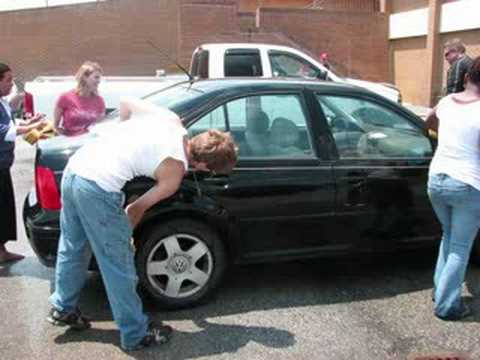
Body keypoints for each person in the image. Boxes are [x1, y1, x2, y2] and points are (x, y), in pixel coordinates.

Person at [47, 97, 237, 351]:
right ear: (203, 165)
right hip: (98, 188)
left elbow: (125, 103)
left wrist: (123, 136)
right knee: (118, 265)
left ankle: (62, 308)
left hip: (76, 170)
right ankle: (135, 333)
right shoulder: (174, 172)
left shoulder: (171, 120)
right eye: (209, 171)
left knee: (73, 246)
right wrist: (126, 240)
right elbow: (134, 209)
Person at [425, 56, 480, 320]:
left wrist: (445, 135)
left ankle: (441, 291)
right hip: (468, 184)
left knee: (449, 237)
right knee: (459, 246)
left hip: (437, 178)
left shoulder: (447, 102)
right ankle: (447, 306)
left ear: (467, 77)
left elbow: (429, 121)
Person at [0, 63, 46, 264]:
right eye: (8, 80)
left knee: (4, 208)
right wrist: (34, 127)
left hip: (4, 165)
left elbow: (12, 126)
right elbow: (4, 133)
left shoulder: (2, 103)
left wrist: (31, 124)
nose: (11, 84)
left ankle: (1, 250)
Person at [53, 61, 105, 136]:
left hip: (91, 143)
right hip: (70, 144)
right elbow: (55, 127)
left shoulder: (99, 101)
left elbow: (101, 127)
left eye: (99, 78)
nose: (99, 81)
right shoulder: (65, 98)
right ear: (84, 77)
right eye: (96, 77)